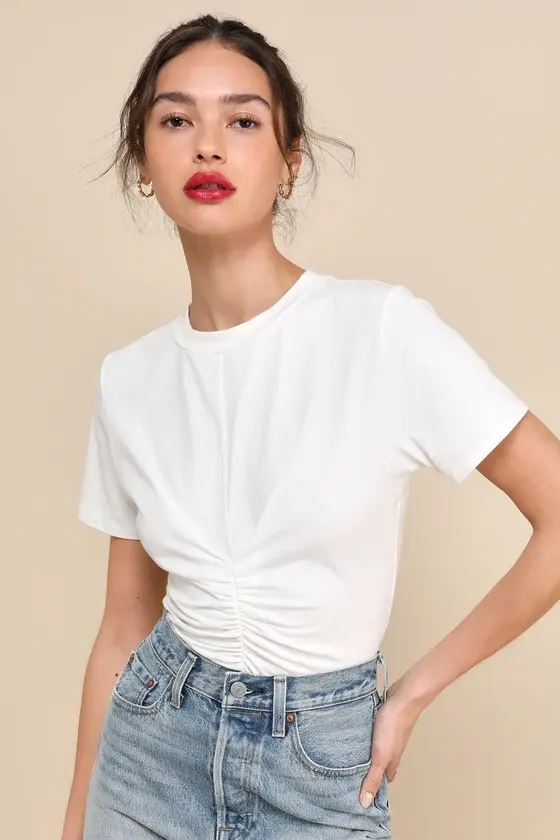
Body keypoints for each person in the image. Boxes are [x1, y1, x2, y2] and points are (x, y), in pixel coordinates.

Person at [61, 14, 560, 840]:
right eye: (176, 120)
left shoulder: (381, 331)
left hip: (320, 765)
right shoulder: (129, 380)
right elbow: (122, 627)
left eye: (243, 121)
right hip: (149, 753)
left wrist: (413, 693)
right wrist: (77, 818)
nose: (208, 146)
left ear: (290, 163)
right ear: (142, 162)